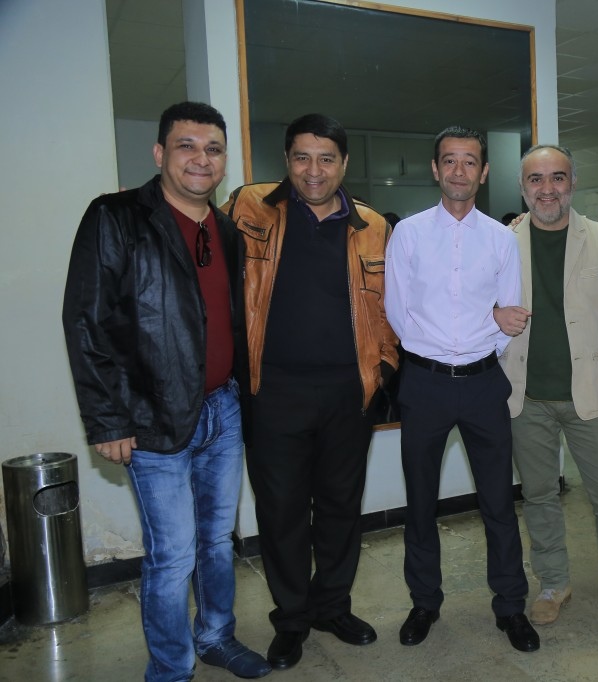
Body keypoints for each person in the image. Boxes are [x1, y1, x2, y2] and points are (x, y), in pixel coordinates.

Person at [62, 101, 270, 681]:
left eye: (213, 149)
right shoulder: (116, 217)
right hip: (152, 415)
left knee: (216, 541)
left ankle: (216, 637)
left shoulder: (225, 230)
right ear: (159, 153)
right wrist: (107, 419)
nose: (201, 159)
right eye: (187, 146)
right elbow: (86, 320)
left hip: (223, 408)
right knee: (173, 553)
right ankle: (171, 669)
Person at [222, 113, 400, 669]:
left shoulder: (372, 225)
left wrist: (385, 369)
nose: (313, 170)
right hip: (272, 391)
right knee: (282, 512)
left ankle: (332, 607)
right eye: (302, 157)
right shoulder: (249, 208)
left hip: (349, 392)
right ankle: (293, 618)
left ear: (344, 164)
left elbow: (392, 307)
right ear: (287, 161)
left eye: (326, 158)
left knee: (342, 508)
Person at [384, 126, 539, 653]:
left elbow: (509, 315)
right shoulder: (408, 234)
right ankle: (424, 602)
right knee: (420, 503)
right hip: (423, 383)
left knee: (499, 502)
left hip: (482, 384)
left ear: (484, 172)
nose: (458, 171)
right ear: (435, 169)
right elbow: (397, 311)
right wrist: (438, 347)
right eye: (449, 160)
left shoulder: (500, 239)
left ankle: (510, 606)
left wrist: (478, 338)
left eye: (469, 161)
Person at [495, 145, 598, 628]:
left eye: (557, 178)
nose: (547, 189)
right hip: (525, 396)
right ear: (523, 187)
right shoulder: (501, 242)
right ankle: (553, 582)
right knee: (539, 496)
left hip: (593, 395)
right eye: (536, 179)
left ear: (573, 183)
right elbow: (479, 306)